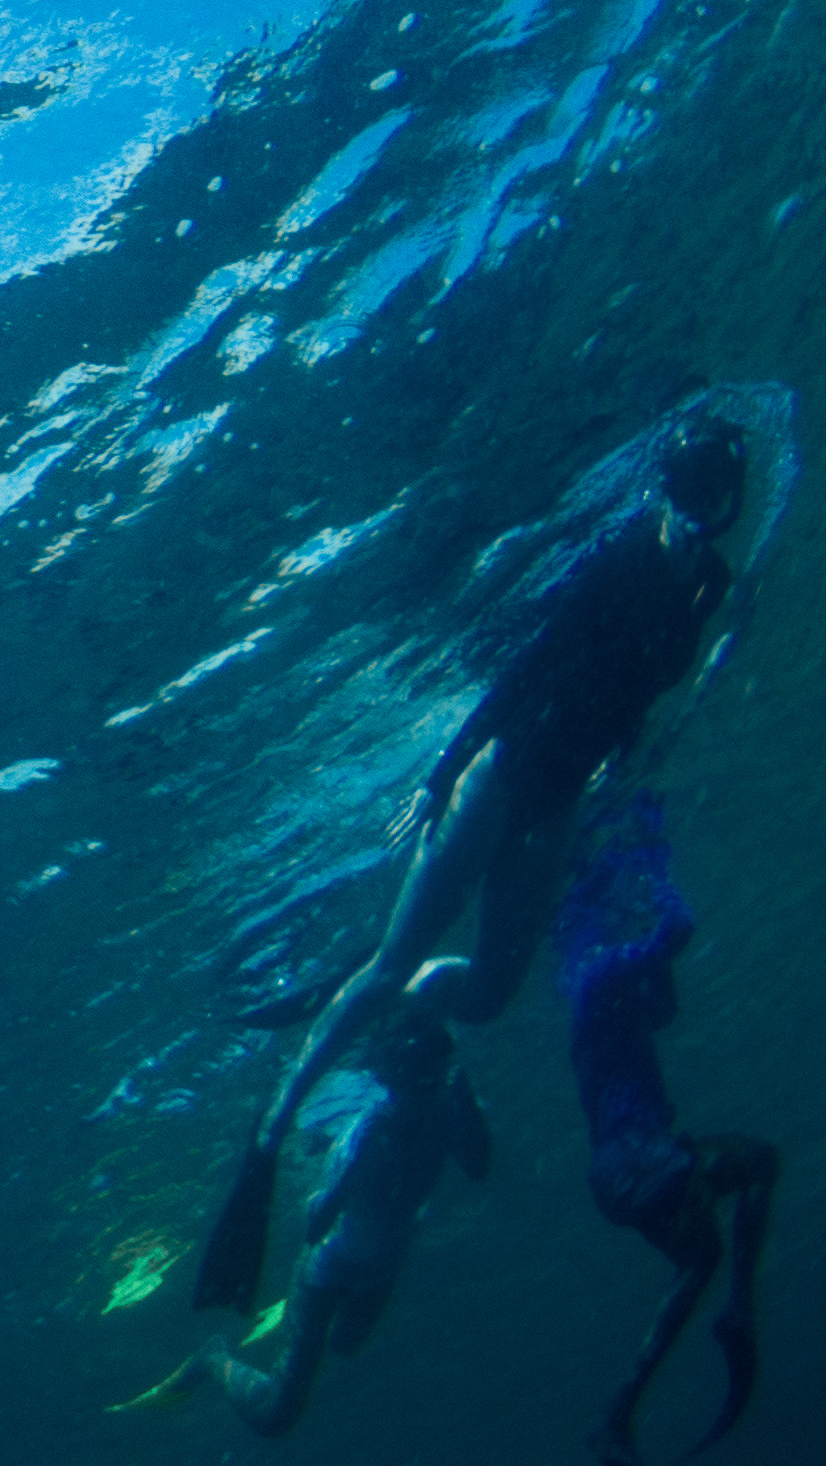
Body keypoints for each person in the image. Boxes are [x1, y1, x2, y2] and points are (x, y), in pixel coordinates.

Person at [195, 415, 751, 1305]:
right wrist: (442, 774)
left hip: (556, 804)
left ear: (729, 504)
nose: (699, 515)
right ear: (666, 488)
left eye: (716, 500)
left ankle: (394, 998)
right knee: (394, 960)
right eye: (688, 493)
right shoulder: (620, 559)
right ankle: (272, 1131)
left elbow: (642, 698)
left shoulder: (709, 586)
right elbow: (527, 669)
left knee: (489, 994)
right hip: (501, 774)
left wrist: (618, 772)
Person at [123, 991, 487, 1436]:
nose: (421, 1089)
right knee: (277, 1413)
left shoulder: (437, 1111)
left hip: (373, 1264)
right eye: (420, 1079)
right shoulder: (375, 1131)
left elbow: (475, 1168)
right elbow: (319, 1220)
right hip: (330, 1270)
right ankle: (212, 1359)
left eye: (430, 1078)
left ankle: (292, 1344)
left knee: (346, 1346)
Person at [559, 791, 776, 1461]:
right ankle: (738, 1311)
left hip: (626, 1167)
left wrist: (646, 926)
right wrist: (654, 867)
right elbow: (676, 929)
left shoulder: (603, 985)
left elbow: (664, 1010)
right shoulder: (595, 971)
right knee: (758, 1161)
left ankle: (617, 1414)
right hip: (636, 1159)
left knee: (701, 1257)